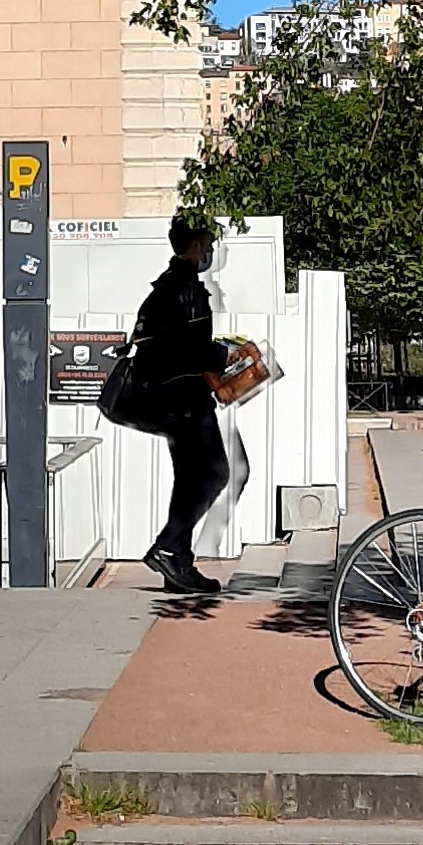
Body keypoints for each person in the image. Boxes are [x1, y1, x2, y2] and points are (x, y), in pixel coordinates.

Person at [131, 216, 232, 593]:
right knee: (215, 473)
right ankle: (169, 547)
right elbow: (190, 348)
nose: (209, 251)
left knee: (189, 480)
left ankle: (180, 566)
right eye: (206, 243)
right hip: (186, 399)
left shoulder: (165, 287)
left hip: (170, 399)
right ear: (194, 246)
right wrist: (225, 354)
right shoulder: (185, 288)